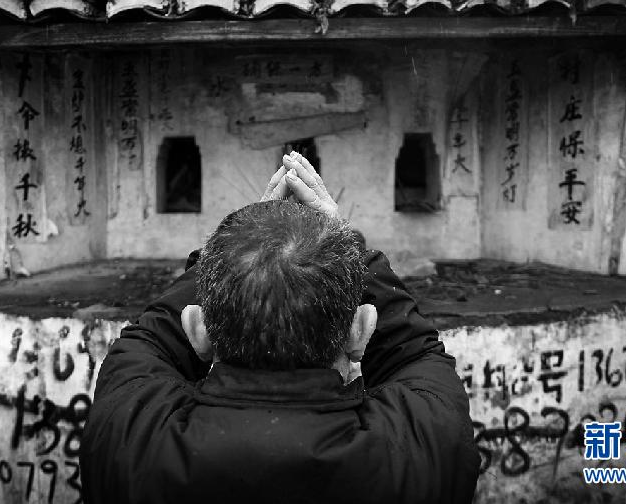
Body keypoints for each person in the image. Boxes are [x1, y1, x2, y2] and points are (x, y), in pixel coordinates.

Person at [80, 152, 480, 504]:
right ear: (361, 330)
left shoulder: (131, 446)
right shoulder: (419, 450)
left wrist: (244, 245)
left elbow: (150, 340)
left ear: (197, 329)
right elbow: (414, 351)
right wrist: (344, 241)